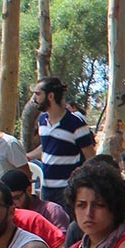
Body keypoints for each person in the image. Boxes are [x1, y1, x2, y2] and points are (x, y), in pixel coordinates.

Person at [29, 76, 96, 211]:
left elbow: (90, 156)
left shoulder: (75, 123)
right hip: (46, 187)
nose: (34, 98)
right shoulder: (42, 120)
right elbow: (47, 147)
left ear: (50, 96)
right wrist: (27, 156)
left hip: (67, 189)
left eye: (37, 94)